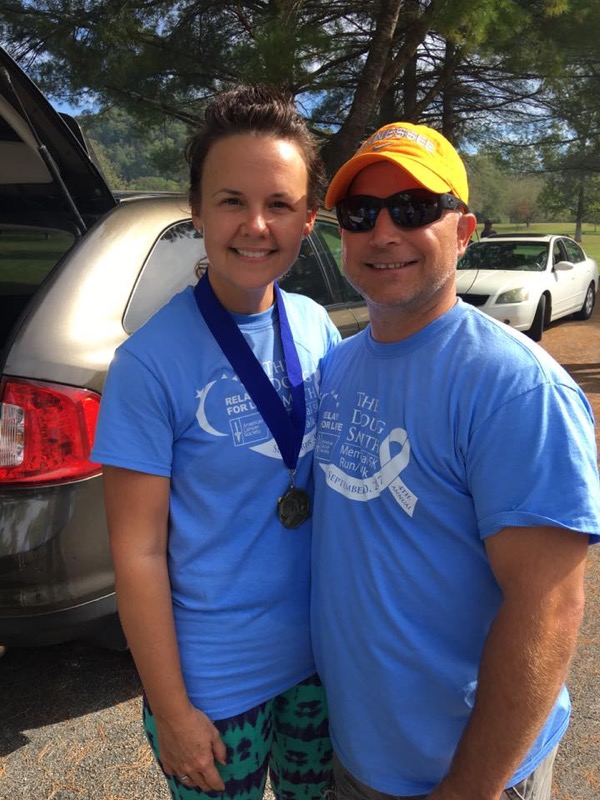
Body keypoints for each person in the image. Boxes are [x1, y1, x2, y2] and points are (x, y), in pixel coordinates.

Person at [310, 122, 600, 800]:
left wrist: (469, 789)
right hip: (355, 757)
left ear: (464, 231)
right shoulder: (338, 366)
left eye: (414, 209)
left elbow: (549, 609)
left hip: (467, 775)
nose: (384, 232)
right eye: (361, 213)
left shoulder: (515, 388)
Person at [91, 85, 339, 800]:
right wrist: (172, 711)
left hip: (322, 669)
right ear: (196, 210)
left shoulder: (318, 326)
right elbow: (137, 554)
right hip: (214, 688)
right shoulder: (148, 364)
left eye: (280, 204)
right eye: (232, 200)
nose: (256, 225)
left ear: (308, 219)